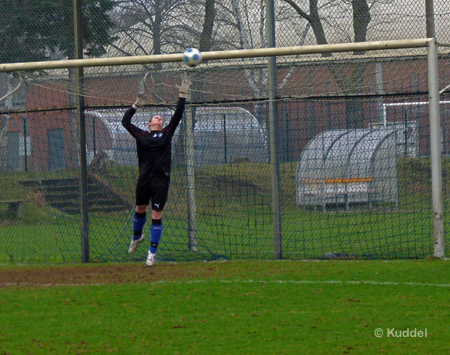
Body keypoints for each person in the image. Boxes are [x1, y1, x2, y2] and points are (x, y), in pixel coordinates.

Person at [122, 79, 192, 266]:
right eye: (156, 117)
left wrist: (182, 96)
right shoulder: (141, 135)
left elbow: (177, 116)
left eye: (161, 117)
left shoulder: (167, 133)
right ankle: (137, 236)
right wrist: (136, 105)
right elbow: (125, 121)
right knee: (140, 209)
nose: (159, 118)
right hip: (144, 178)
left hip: (161, 180)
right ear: (150, 122)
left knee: (156, 214)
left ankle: (151, 253)